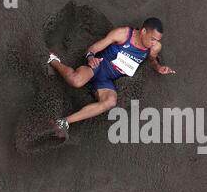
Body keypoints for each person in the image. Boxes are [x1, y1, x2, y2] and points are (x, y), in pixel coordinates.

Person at [47, 17, 176, 138]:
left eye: (157, 40)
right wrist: (91, 58)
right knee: (76, 81)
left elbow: (152, 60)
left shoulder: (154, 48)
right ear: (143, 31)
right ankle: (54, 61)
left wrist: (158, 67)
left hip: (107, 80)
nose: (155, 43)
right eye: (153, 39)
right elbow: (92, 49)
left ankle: (63, 122)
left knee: (110, 102)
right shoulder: (122, 34)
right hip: (98, 67)